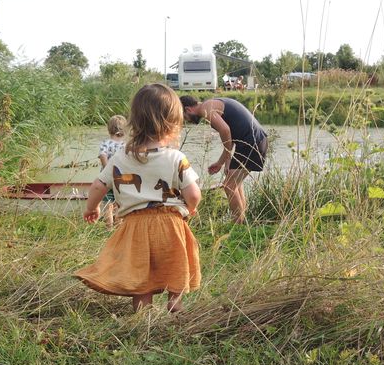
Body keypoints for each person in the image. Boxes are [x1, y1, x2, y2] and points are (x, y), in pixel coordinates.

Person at [76, 84, 202, 312]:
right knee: (175, 263)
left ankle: (143, 314)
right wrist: (191, 208)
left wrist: (91, 208)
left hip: (135, 225)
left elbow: (98, 185)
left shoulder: (120, 157)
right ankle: (175, 303)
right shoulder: (176, 157)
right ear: (173, 123)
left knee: (140, 272)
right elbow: (193, 193)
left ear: (134, 120)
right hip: (171, 223)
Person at [180, 95, 267, 223]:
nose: (187, 121)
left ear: (188, 109)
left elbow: (225, 131)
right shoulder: (211, 104)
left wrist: (226, 159)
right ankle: (242, 222)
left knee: (229, 186)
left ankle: (238, 226)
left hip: (252, 142)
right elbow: (231, 134)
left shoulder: (206, 108)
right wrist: (224, 162)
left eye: (185, 118)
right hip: (254, 141)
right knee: (235, 185)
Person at [97, 115, 126, 227]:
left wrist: (108, 171)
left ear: (110, 128)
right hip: (122, 178)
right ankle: (119, 227)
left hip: (107, 178)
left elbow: (103, 156)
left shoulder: (106, 143)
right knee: (119, 204)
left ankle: (109, 228)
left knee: (107, 204)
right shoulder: (126, 144)